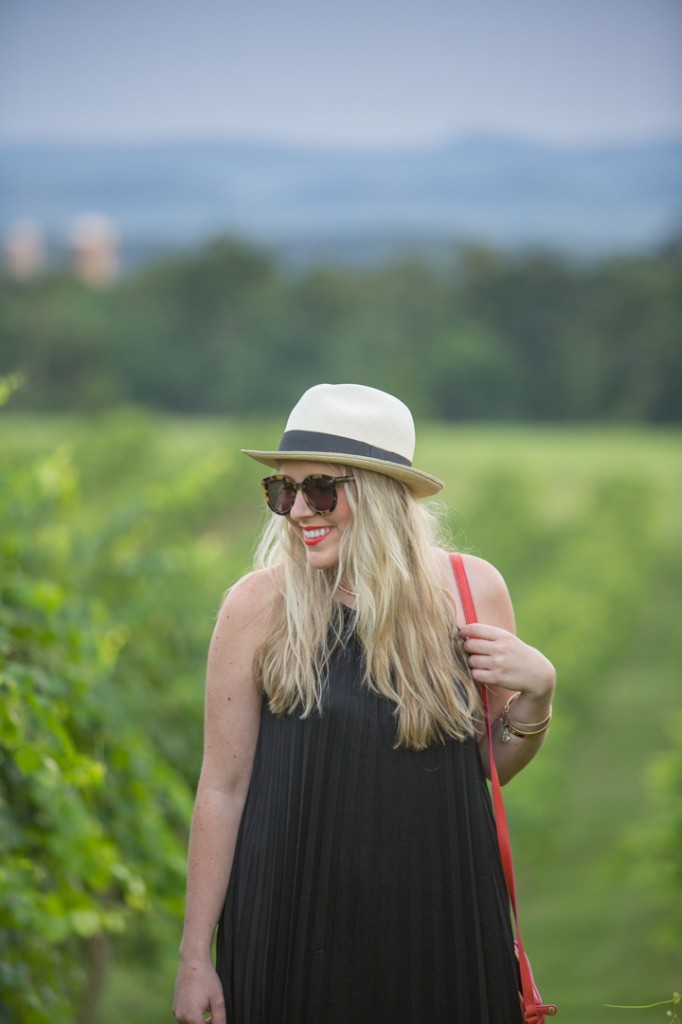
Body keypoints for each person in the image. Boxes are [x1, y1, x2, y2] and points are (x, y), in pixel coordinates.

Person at [172, 383, 556, 1024]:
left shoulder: (470, 591)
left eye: (320, 489)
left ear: (380, 495)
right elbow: (223, 786)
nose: (297, 511)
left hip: (440, 917)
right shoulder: (258, 607)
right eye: (283, 490)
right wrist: (193, 957)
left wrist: (536, 698)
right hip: (290, 922)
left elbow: (486, 767)